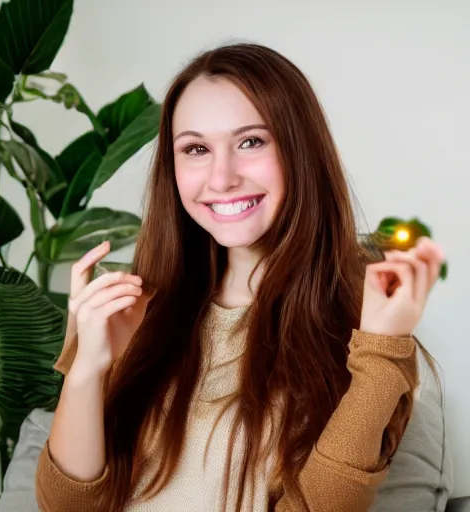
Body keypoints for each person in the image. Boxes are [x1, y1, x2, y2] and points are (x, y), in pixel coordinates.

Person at [35, 43, 445, 512]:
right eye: (196, 149)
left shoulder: (366, 329)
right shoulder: (133, 309)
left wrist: (382, 349)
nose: (222, 176)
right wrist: (89, 367)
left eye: (251, 141)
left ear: (299, 149)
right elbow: (66, 506)